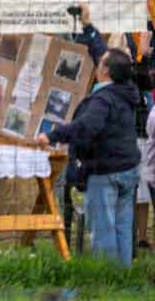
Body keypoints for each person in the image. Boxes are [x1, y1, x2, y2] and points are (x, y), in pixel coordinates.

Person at [38, 49, 142, 265]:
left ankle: (106, 278)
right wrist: (88, 28)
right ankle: (122, 277)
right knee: (123, 226)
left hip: (106, 170)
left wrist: (53, 135)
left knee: (104, 229)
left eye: (101, 61)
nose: (97, 64)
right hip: (128, 168)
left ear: (105, 69)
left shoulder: (103, 99)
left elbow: (88, 126)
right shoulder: (127, 90)